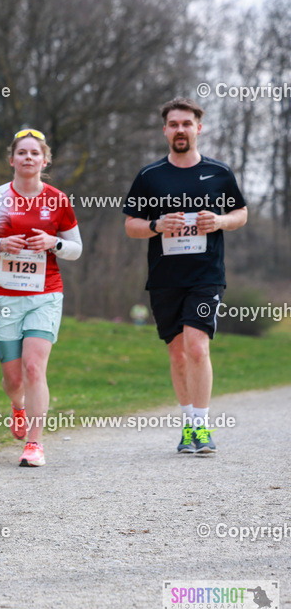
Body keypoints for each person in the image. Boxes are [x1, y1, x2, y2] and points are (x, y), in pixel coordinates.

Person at [123, 97, 247, 454]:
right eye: (174, 124)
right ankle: (188, 424)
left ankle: (202, 428)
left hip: (206, 274)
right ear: (165, 130)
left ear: (198, 128)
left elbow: (241, 212)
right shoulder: (150, 176)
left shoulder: (219, 173)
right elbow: (131, 226)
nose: (180, 130)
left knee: (196, 345)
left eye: (186, 124)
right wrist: (157, 225)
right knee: (177, 354)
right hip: (165, 277)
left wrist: (220, 221)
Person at [0, 129, 82, 467]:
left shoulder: (58, 201)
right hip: (4, 295)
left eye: (35, 153)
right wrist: (0, 245)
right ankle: (17, 406)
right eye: (22, 153)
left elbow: (76, 249)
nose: (28, 158)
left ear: (45, 160)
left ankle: (34, 444)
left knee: (35, 367)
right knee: (14, 378)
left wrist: (54, 244)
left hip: (44, 294)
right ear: (12, 160)